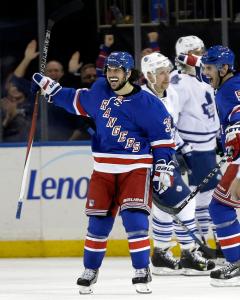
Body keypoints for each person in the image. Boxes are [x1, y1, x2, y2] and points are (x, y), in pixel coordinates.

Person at [31, 51, 176, 294]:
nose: (111, 75)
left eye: (117, 70)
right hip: (104, 170)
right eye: (109, 70)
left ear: (129, 73)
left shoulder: (149, 104)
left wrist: (162, 167)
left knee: (135, 219)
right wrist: (51, 90)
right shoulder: (99, 91)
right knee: (98, 223)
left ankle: (141, 270)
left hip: (135, 168)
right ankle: (90, 270)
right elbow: (74, 100)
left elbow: (163, 142)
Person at [141, 52, 215, 275]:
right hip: (152, 162)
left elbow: (170, 128)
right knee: (184, 202)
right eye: (160, 73)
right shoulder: (141, 99)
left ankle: (161, 254)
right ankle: (189, 253)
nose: (166, 76)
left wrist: (185, 149)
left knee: (167, 208)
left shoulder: (170, 93)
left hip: (168, 157)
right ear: (148, 76)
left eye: (167, 71)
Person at [177, 45, 240, 286]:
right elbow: (197, 61)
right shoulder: (231, 83)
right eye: (204, 67)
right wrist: (186, 56)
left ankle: (236, 263)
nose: (205, 73)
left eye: (210, 68)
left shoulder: (227, 93)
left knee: (219, 208)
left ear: (224, 69)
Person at [171, 36, 221, 249]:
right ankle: (199, 244)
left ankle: (213, 242)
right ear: (187, 56)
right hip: (192, 149)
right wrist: (181, 149)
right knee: (194, 199)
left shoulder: (205, 77)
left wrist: (219, 136)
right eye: (199, 52)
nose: (204, 55)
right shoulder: (177, 83)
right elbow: (169, 121)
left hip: (208, 146)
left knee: (210, 196)